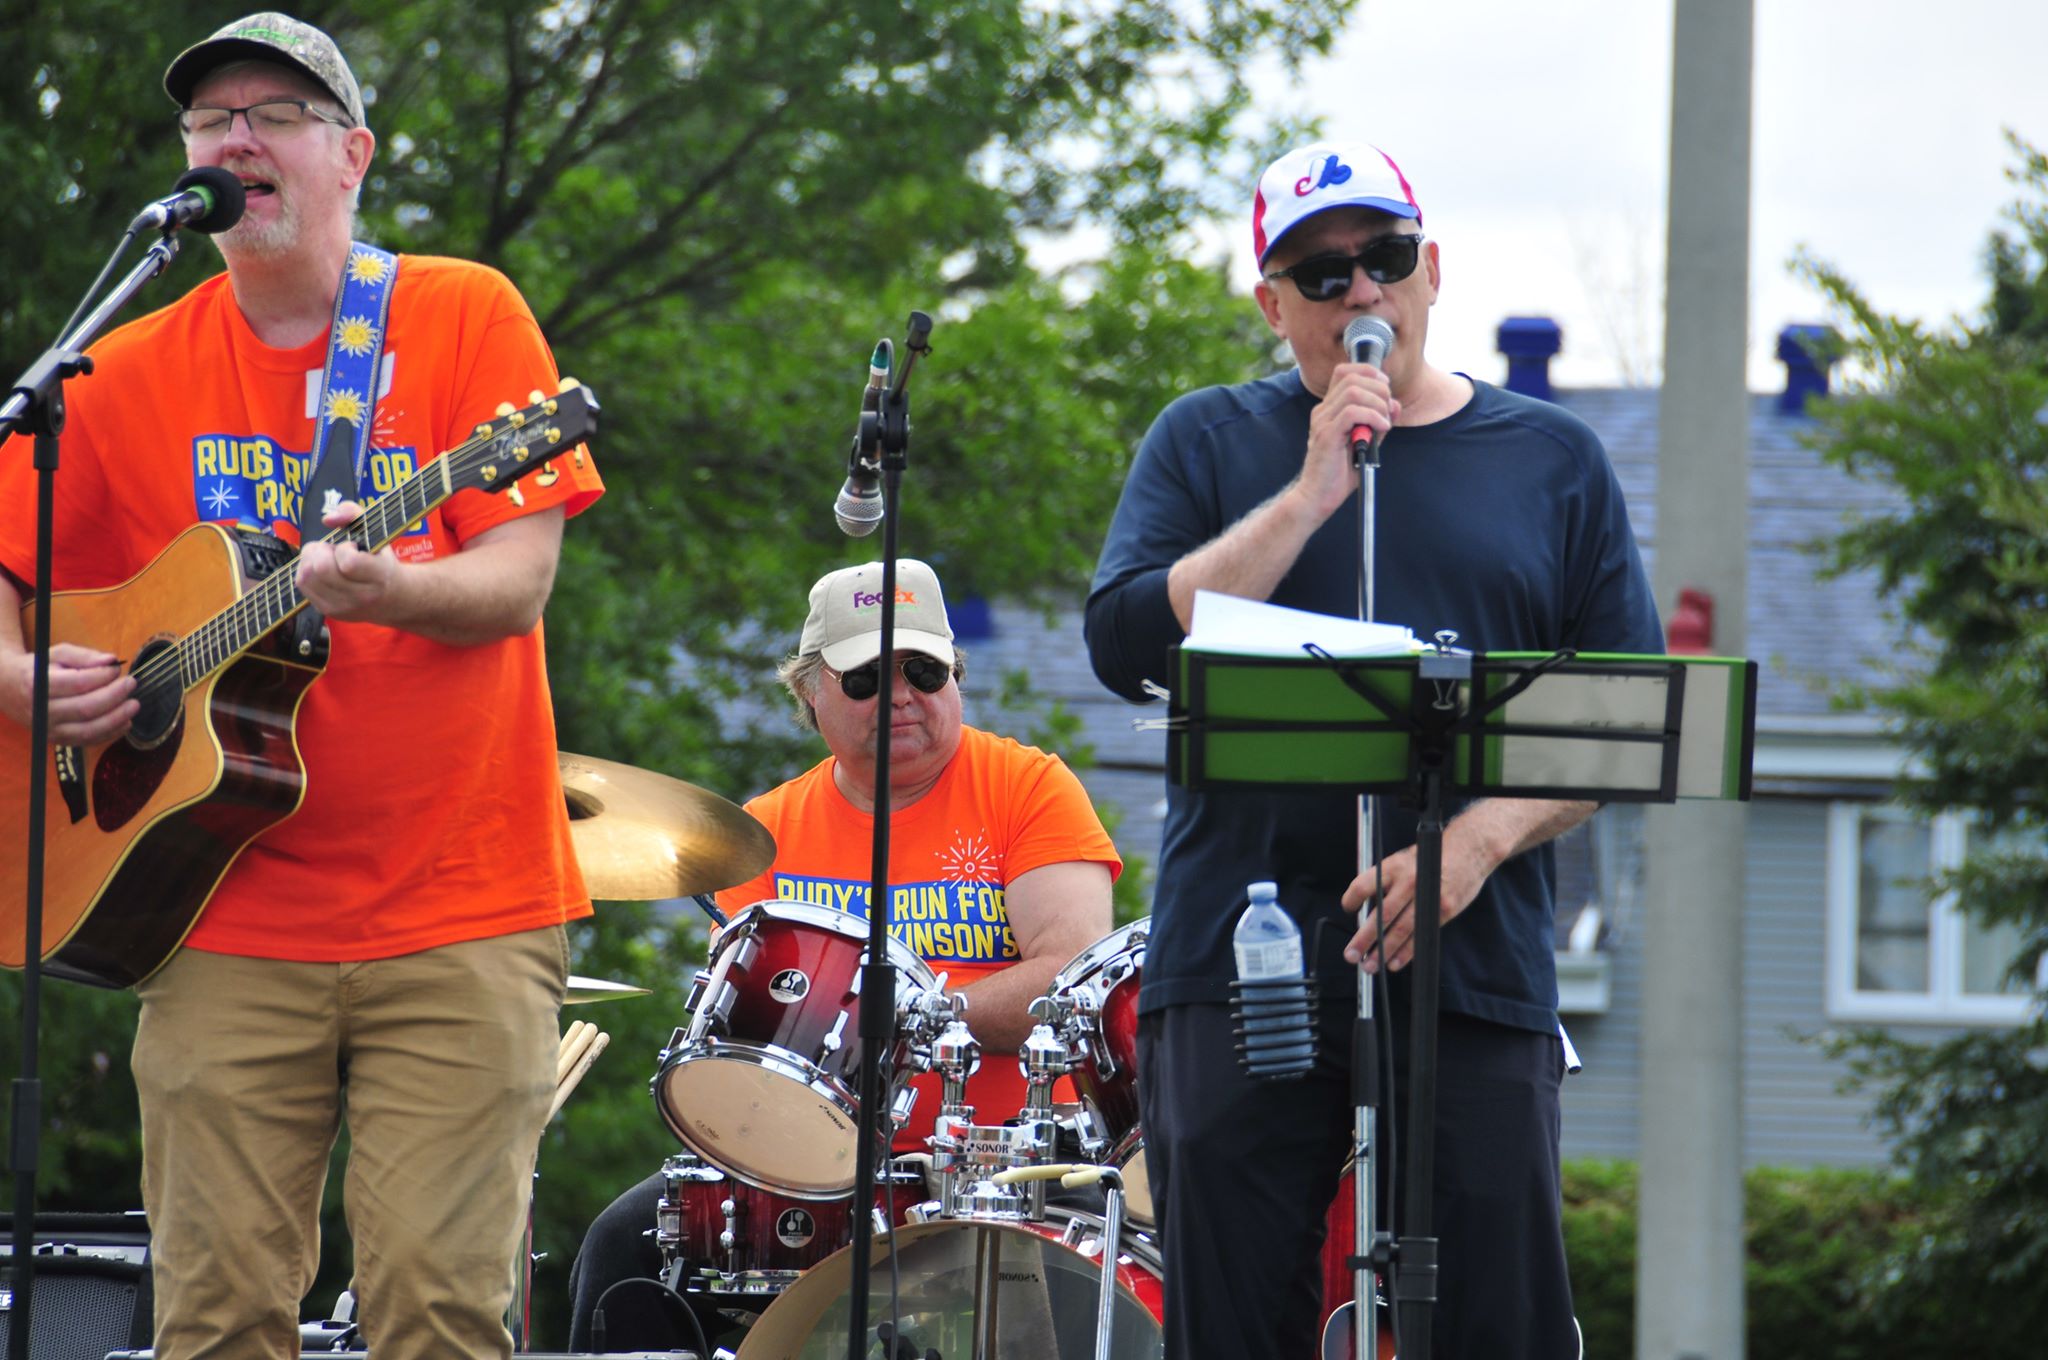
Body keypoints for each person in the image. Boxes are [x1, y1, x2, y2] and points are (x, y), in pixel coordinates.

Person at [0, 13, 603, 1359]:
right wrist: (29, 683)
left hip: (460, 903)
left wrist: (395, 590)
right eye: (213, 122)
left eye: (274, 113)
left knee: (437, 1316)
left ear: (353, 155)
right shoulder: (117, 371)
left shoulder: (459, 315)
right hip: (214, 906)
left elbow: (515, 580)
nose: (238, 140)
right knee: (213, 1322)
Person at [1085, 140, 1661, 1360]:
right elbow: (1122, 637)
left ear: (1431, 270)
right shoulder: (1202, 440)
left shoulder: (1550, 461)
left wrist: (1477, 839)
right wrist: (1303, 497)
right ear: (1270, 303)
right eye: (1319, 272)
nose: (1359, 294)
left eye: (1383, 260)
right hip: (1240, 957)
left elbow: (1619, 712)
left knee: (1494, 1319)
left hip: (1469, 954)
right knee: (1231, 1321)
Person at [567, 557, 1119, 1350]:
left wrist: (913, 1016)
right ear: (810, 695)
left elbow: (1070, 979)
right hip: (809, 1170)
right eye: (864, 678)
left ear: (957, 677)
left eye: (923, 670)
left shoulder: (1029, 787)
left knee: (1042, 1313)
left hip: (1002, 1167)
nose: (899, 695)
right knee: (622, 1246)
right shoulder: (762, 832)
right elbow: (742, 1051)